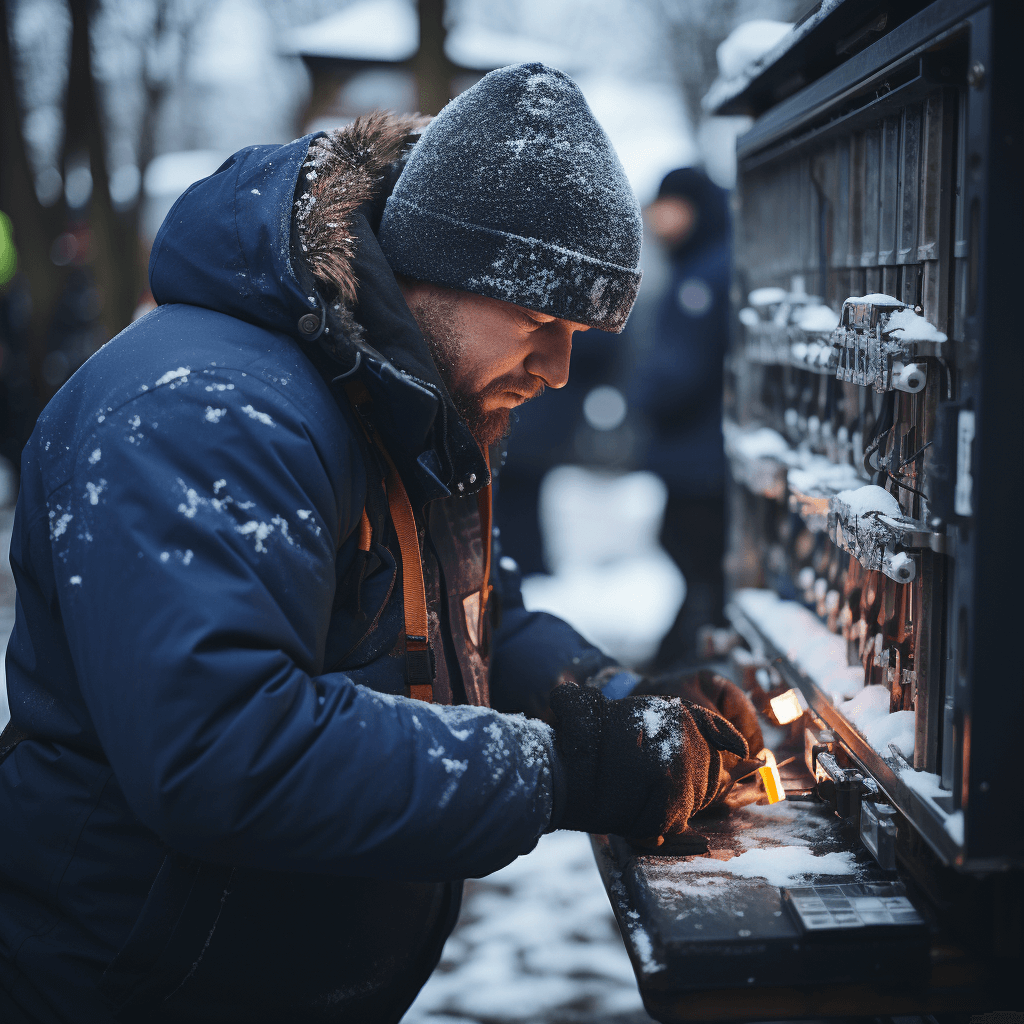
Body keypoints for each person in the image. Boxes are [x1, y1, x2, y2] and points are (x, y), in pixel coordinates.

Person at [0, 65, 761, 1023]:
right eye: (541, 322)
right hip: (134, 983)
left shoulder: (394, 394)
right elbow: (225, 747)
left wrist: (615, 701)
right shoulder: (206, 413)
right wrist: (560, 769)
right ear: (437, 268)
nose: (562, 370)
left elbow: (477, 613)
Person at [633, 168, 733, 670]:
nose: (658, 219)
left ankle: (679, 668)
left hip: (701, 455)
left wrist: (640, 398)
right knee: (697, 564)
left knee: (696, 562)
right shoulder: (702, 264)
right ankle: (684, 660)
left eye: (669, 206)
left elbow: (680, 369)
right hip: (700, 451)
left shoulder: (704, 276)